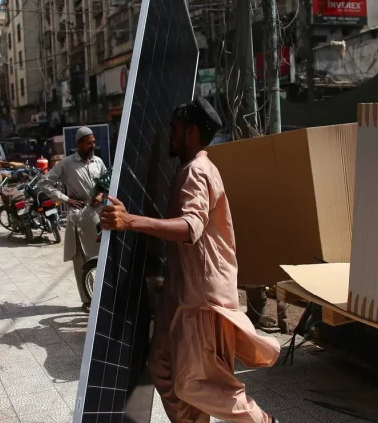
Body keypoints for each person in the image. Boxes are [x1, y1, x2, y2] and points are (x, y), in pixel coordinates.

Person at [100, 98, 281, 423]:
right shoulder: (188, 170)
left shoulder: (197, 172)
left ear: (192, 131)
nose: (168, 134)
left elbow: (190, 228)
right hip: (182, 294)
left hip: (202, 300)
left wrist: (130, 222)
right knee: (163, 367)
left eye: (174, 128)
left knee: (195, 383)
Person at [38, 127, 106, 313]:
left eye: (93, 142)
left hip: (98, 214)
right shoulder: (67, 163)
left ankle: (102, 296)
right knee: (81, 260)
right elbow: (44, 182)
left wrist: (101, 194)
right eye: (89, 142)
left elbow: (106, 182)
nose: (93, 145)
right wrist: (65, 199)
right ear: (79, 144)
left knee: (100, 258)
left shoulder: (98, 161)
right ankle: (87, 300)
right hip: (78, 216)